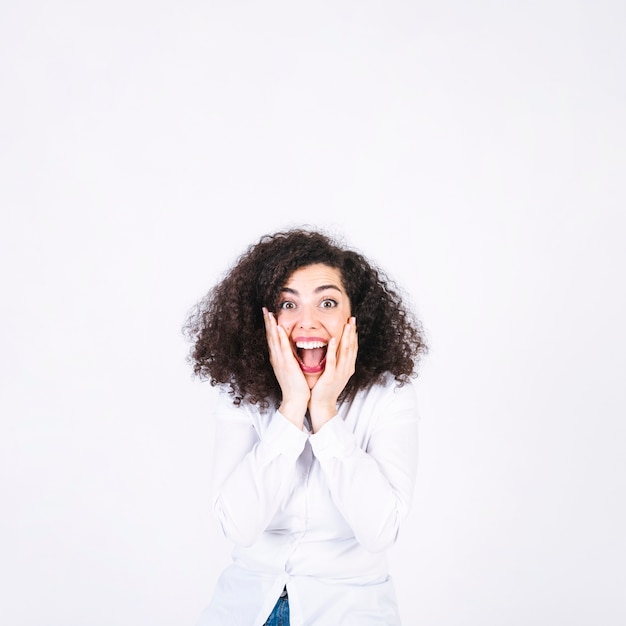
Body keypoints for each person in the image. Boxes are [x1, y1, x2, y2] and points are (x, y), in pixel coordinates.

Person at [184, 227, 427, 626]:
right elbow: (238, 526)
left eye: (327, 302)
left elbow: (380, 530)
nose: (307, 322)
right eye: (288, 304)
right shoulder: (241, 392)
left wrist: (326, 412)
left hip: (349, 610)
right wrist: (293, 406)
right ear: (264, 318)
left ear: (355, 315)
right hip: (245, 606)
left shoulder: (389, 394)